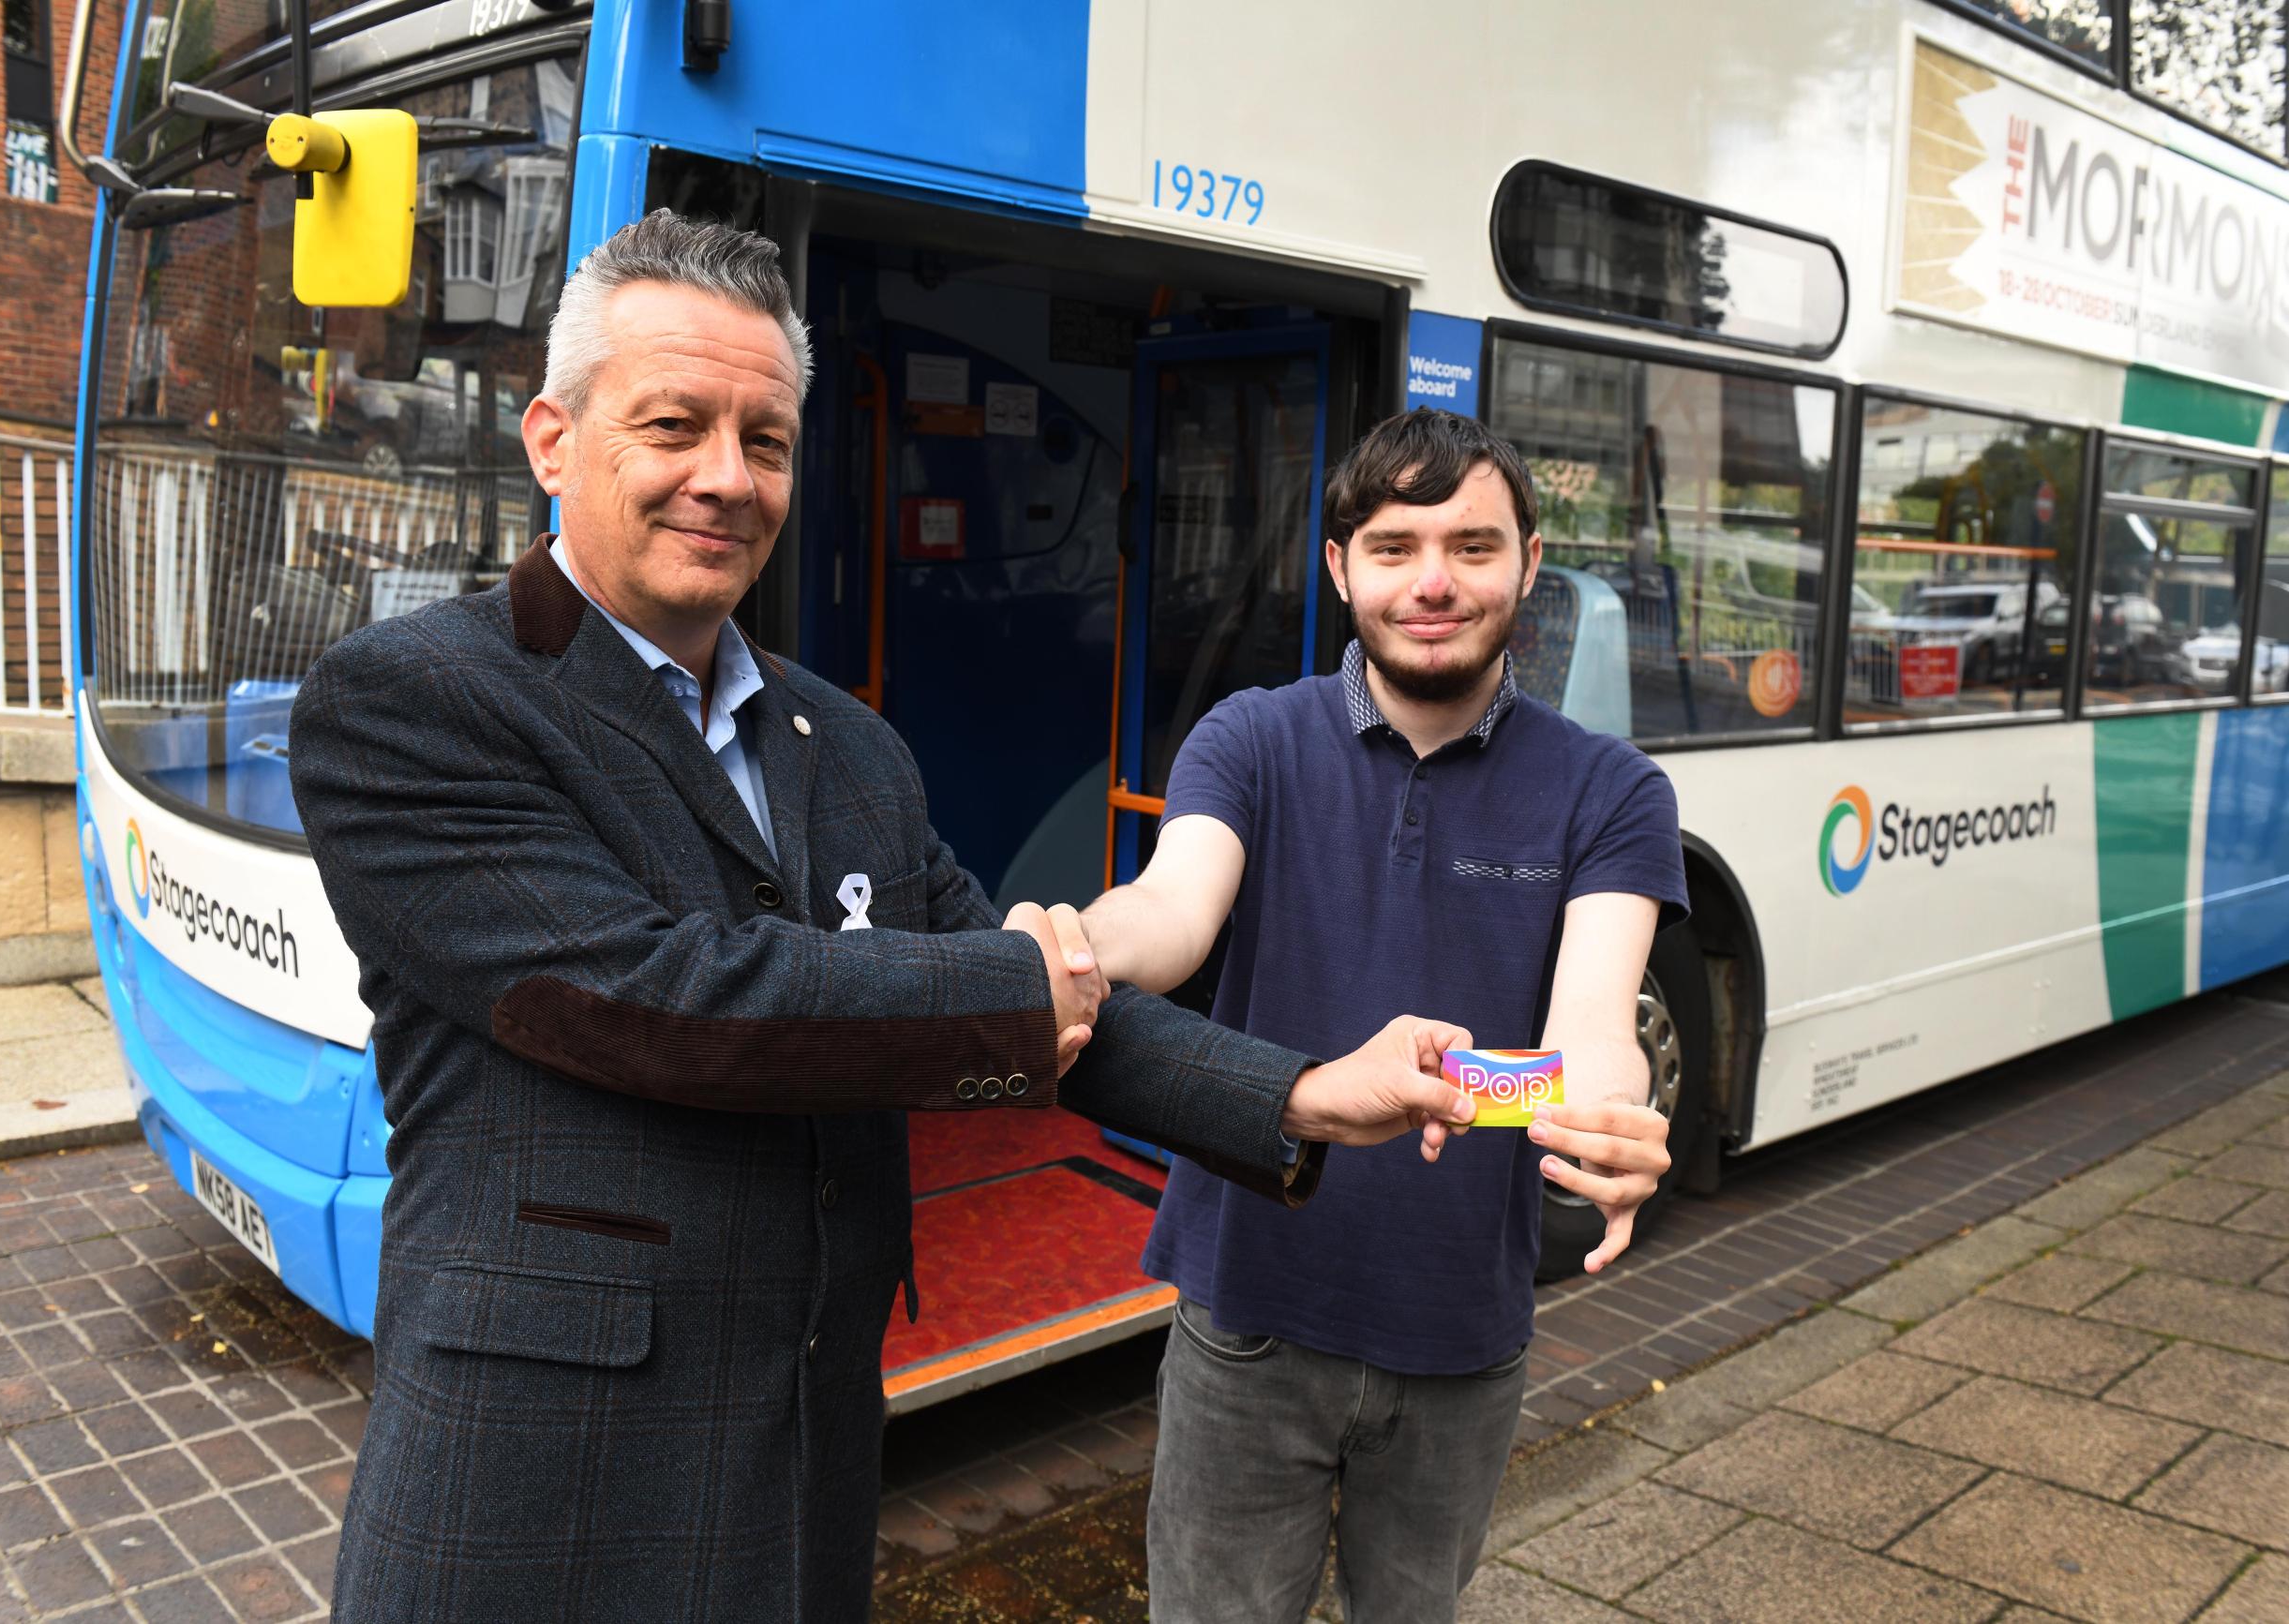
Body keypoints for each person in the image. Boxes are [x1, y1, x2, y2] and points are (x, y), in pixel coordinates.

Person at [286, 212, 1479, 1624]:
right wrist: (1017, 990)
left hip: (805, 1455)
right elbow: (664, 1000)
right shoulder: (411, 699)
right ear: (552, 439)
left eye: (768, 440)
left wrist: (1300, 1089)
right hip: (542, 1480)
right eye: (674, 424)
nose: (725, 478)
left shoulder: (850, 747)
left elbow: (1033, 1028)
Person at [1077, 409, 1686, 1624]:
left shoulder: (1611, 791)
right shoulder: (1251, 738)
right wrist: (1075, 943)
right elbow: (1174, 909)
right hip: (1245, 1315)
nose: (1434, 582)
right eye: (1397, 546)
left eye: (1473, 545)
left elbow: (1587, 1041)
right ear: (1341, 566)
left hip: (1460, 1338)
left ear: (1528, 562)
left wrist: (1607, 1116)